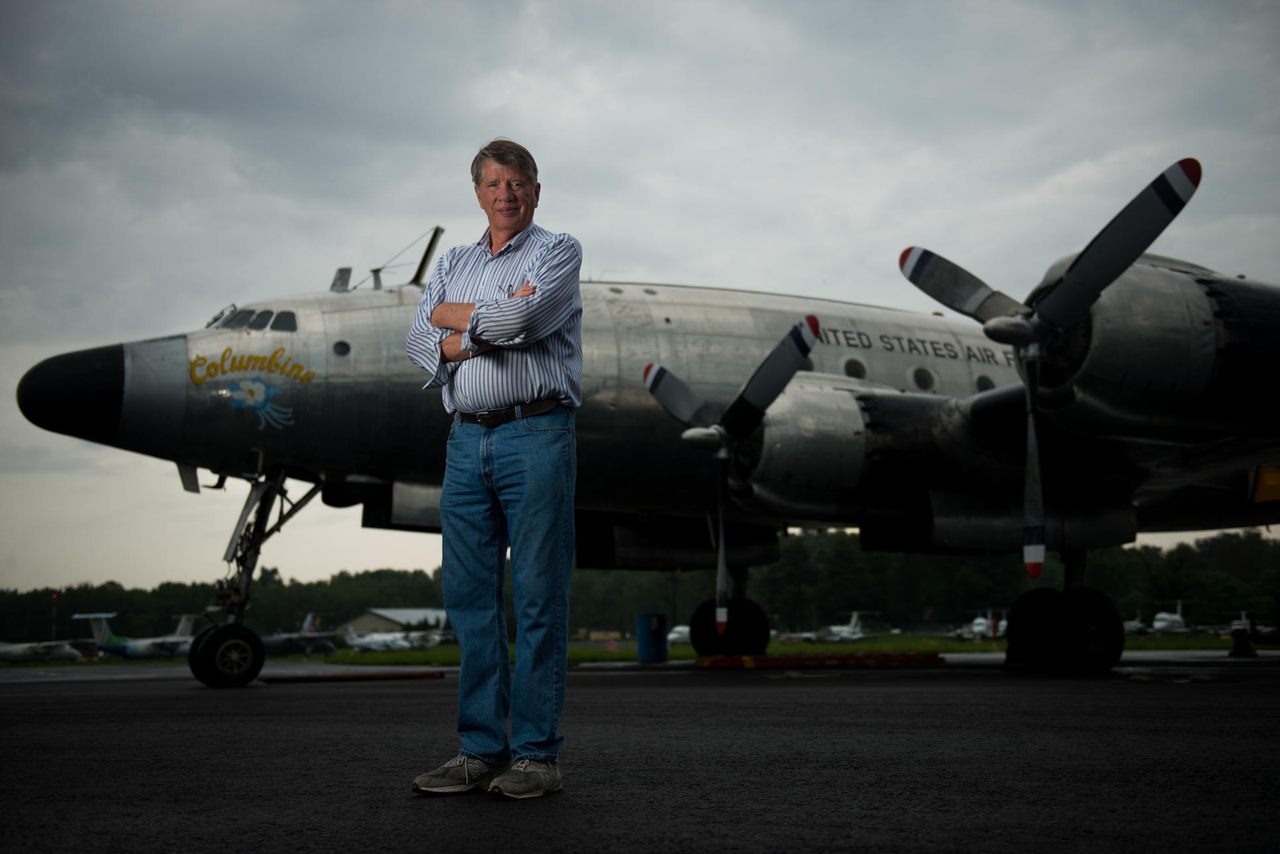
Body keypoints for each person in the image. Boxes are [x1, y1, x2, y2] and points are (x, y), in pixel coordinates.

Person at [404, 139, 582, 799]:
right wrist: (488, 320)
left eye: (517, 183)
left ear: (536, 190)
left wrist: (458, 324)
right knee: (470, 601)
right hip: (464, 440)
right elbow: (418, 335)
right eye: (493, 183)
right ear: (477, 192)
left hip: (536, 433)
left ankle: (535, 755)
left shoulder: (558, 251)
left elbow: (529, 318)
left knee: (537, 597)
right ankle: (479, 751)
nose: (505, 194)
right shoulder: (453, 258)